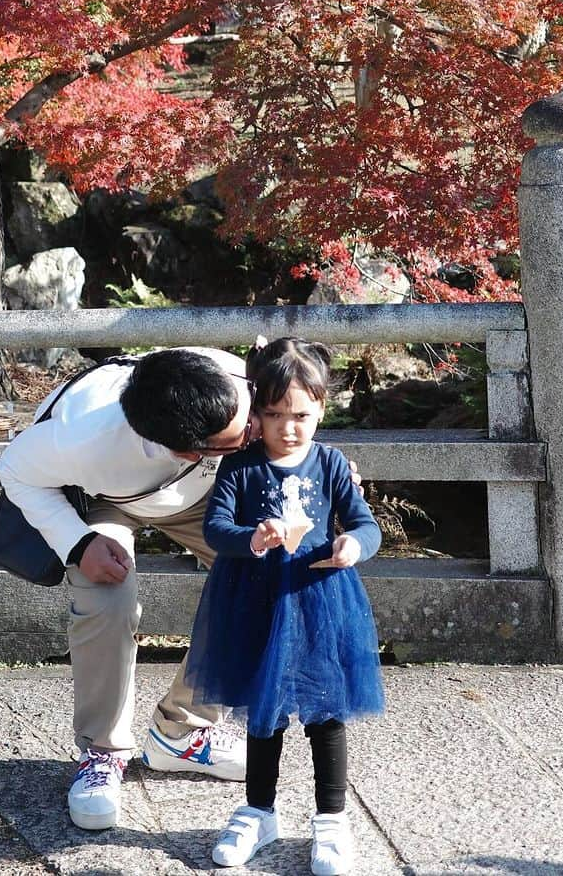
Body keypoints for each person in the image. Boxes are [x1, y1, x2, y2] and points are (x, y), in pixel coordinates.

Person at [0, 346, 255, 830]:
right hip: (108, 502)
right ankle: (102, 753)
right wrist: (77, 543)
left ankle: (185, 731)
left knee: (264, 578)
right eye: (237, 440)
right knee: (108, 600)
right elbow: (15, 470)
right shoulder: (80, 437)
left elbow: (294, 434)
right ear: (188, 451)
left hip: (206, 501)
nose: (253, 430)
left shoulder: (240, 382)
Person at [184, 338, 384, 875]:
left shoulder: (331, 464)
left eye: (299, 414)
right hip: (255, 601)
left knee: (326, 713)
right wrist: (254, 537)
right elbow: (216, 528)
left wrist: (353, 545)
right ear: (257, 412)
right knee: (262, 713)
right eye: (273, 415)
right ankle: (258, 810)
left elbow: (366, 523)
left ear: (321, 407)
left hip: (319, 599)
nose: (287, 427)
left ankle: (332, 819)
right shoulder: (240, 467)